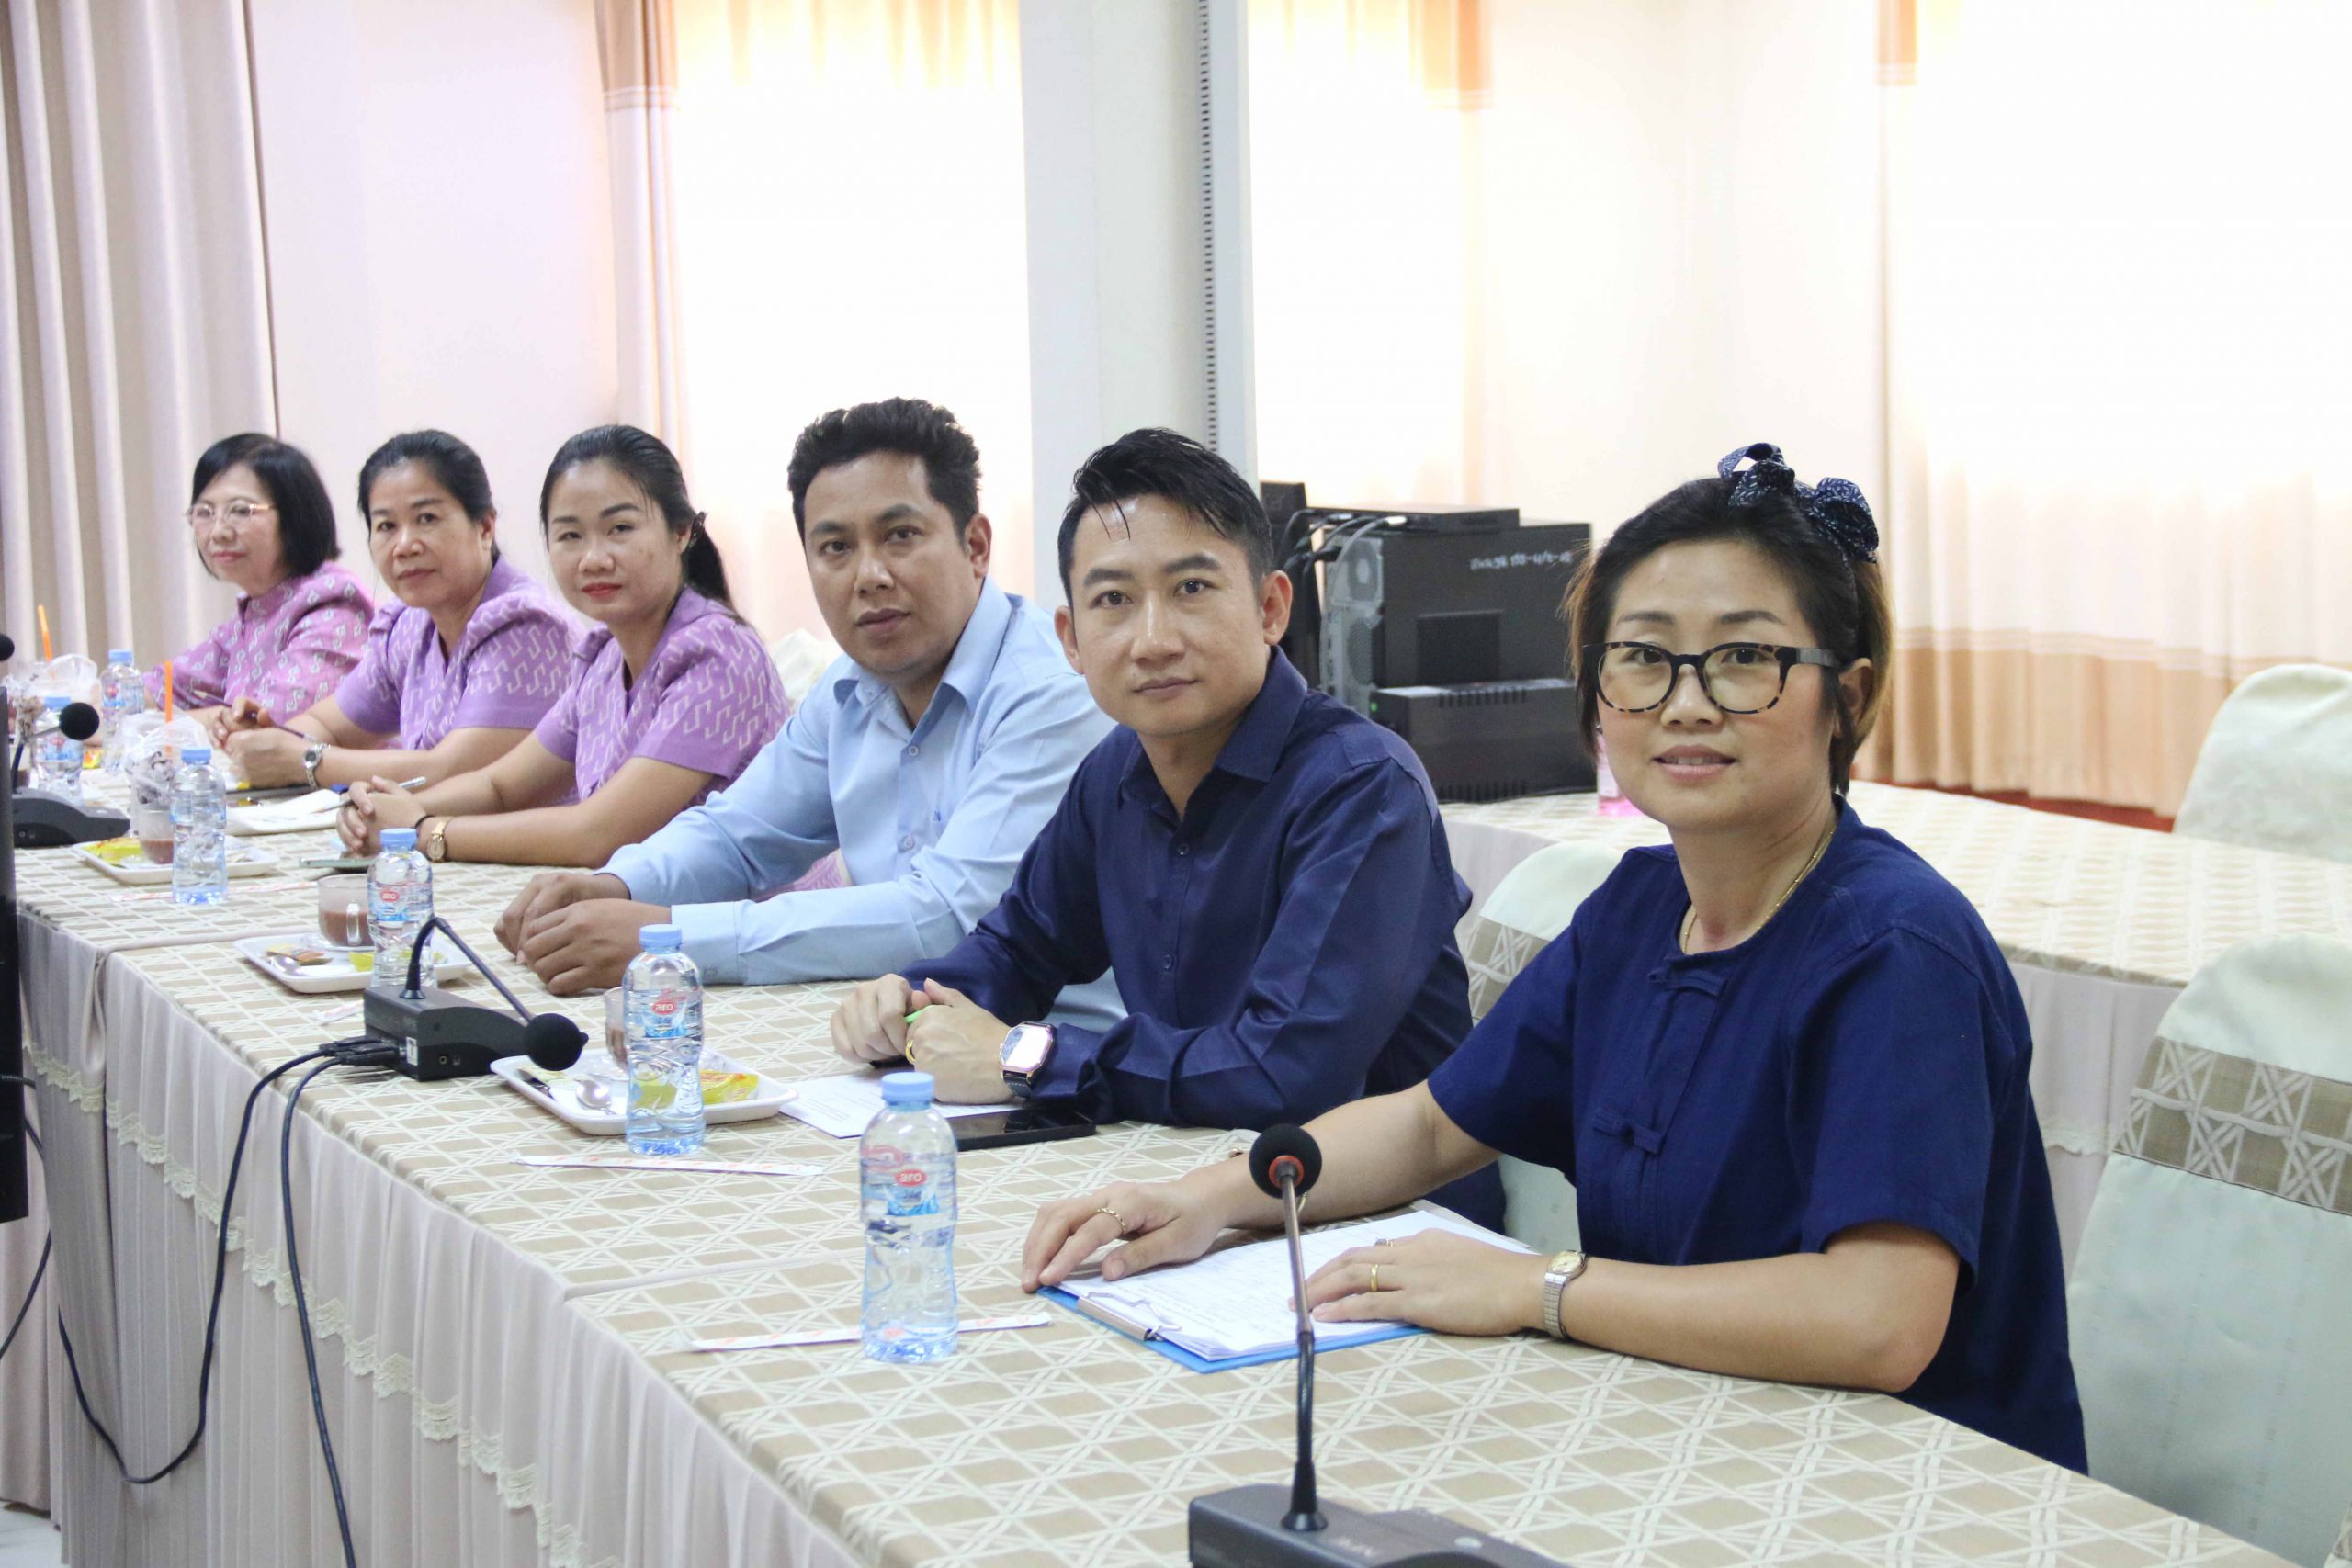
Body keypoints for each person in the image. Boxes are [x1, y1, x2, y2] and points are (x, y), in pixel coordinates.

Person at [1018, 444, 2086, 1472]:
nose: (1684, 702)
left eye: (1743, 660)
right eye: (1643, 659)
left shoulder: (1894, 948)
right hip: (1689, 1428)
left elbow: (1877, 1322)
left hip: (1908, 1479)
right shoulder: (1638, 911)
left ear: (1844, 697)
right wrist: (1212, 1198)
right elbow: (1430, 1125)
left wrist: (1536, 1287)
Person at [830, 427, 1502, 1229]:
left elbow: (1284, 1073)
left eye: (1191, 588)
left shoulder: (1362, 788)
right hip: (1181, 1191)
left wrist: (1023, 1056)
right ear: (1071, 640)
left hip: (1383, 1228)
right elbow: (1019, 950)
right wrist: (909, 1002)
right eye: (1113, 600)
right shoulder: (1115, 772)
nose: (1153, 640)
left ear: (1271, 608)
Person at [493, 398, 1114, 999]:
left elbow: (949, 916)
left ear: (975, 546)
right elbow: (738, 834)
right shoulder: (849, 689)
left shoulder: (1050, 690)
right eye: (836, 547)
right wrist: (616, 885)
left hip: (1052, 1047)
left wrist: (668, 938)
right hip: (899, 1024)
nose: (869, 576)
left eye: (900, 535)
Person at [334, 426, 786, 868]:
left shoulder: (718, 655)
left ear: (681, 531)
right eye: (570, 536)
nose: (594, 559)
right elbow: (500, 787)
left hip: (740, 915)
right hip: (637, 906)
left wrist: (424, 832)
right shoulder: (604, 659)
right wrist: (386, 808)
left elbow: (597, 835)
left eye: (620, 528)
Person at [218, 430, 575, 791]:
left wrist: (304, 759)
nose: (404, 546)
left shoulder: (526, 625)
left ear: (484, 527)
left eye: (427, 519)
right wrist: (268, 739)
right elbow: (327, 727)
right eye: (387, 526)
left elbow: (452, 772)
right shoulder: (409, 624)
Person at [149, 434, 372, 731]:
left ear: (294, 517)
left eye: (241, 511)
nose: (218, 532)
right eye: (204, 512)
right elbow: (161, 689)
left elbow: (265, 725)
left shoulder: (334, 606)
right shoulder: (257, 610)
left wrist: (143, 726)